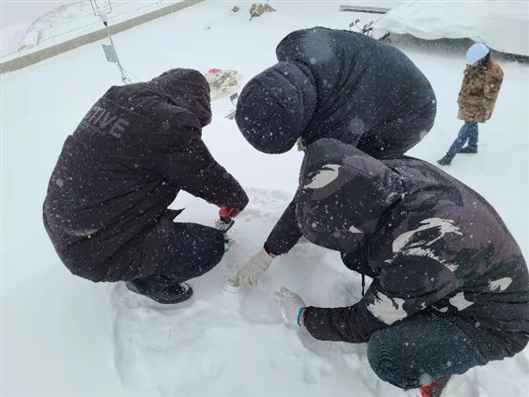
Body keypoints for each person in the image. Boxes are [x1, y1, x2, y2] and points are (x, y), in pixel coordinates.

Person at [271, 139, 528, 395]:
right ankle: (424, 314)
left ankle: (433, 369)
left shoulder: (423, 247)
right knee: (370, 259)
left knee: (387, 355)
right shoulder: (380, 176)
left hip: (497, 323)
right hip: (465, 278)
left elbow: (363, 323)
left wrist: (304, 317)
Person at [232, 26, 436, 287]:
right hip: (374, 76)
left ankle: (358, 224)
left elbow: (317, 184)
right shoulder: (291, 44)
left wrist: (270, 251)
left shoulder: (341, 122)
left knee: (355, 174)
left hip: (409, 111)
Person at [43, 69, 248, 304]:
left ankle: (132, 247)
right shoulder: (167, 124)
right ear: (193, 102)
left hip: (67, 224)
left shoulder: (120, 98)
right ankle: (148, 281)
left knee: (151, 176)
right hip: (96, 249)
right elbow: (204, 175)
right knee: (208, 248)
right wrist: (235, 199)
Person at [438, 43, 503, 166]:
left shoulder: (493, 73)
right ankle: (472, 146)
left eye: (474, 62)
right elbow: (468, 82)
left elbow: (490, 95)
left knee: (466, 130)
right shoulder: (476, 64)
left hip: (479, 107)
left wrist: (486, 87)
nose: (471, 64)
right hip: (468, 103)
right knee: (471, 125)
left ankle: (449, 156)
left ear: (483, 58)